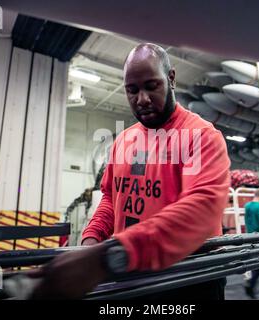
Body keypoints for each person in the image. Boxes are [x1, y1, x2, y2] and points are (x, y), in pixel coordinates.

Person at [30, 43, 231, 299]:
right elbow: (113, 200)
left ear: (171, 79)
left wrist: (107, 256)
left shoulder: (201, 136)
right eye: (132, 90)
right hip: (131, 276)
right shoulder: (123, 141)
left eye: (151, 86)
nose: (142, 99)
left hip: (189, 280)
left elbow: (201, 210)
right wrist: (90, 240)